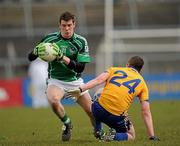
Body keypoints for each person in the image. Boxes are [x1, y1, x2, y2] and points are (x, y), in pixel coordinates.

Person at [28, 11, 94, 141]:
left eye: (69, 25)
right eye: (64, 25)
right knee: (53, 101)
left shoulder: (81, 41)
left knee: (92, 112)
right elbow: (30, 58)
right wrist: (34, 52)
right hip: (56, 81)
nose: (67, 28)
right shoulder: (49, 39)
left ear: (74, 24)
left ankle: (98, 130)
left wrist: (62, 57)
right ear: (59, 25)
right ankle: (67, 123)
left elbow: (81, 67)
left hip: (75, 82)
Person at [67, 56, 160, 142]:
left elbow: (97, 81)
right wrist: (151, 135)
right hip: (116, 117)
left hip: (97, 110)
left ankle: (98, 129)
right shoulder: (143, 84)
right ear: (140, 70)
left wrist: (80, 89)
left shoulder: (114, 69)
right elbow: (145, 111)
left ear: (127, 64)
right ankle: (113, 136)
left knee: (100, 91)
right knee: (131, 135)